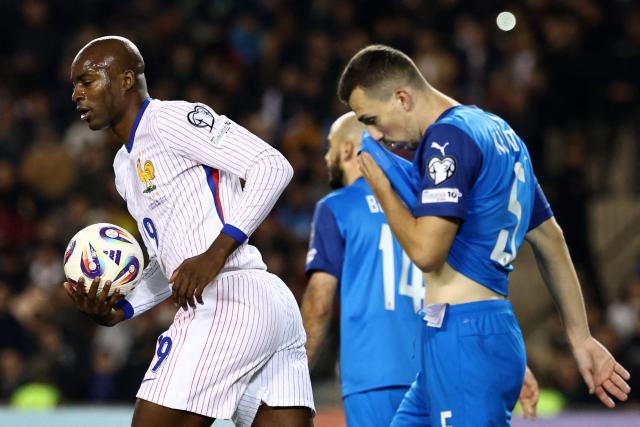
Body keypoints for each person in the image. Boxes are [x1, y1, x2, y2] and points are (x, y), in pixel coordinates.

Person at [337, 45, 631, 426]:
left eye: (372, 119)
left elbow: (427, 251)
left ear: (403, 98)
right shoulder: (499, 132)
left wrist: (382, 189)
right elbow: (550, 239)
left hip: (464, 335)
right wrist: (580, 336)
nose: (377, 136)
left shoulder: (447, 140)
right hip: (472, 334)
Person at [64, 36, 314, 427]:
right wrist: (122, 310)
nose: (77, 94)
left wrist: (214, 255)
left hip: (228, 300)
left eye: (87, 81)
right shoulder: (124, 167)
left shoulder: (171, 120)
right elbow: (175, 266)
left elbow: (271, 166)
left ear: (126, 79)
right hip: (260, 305)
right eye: (74, 86)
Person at [301, 112, 540, 426]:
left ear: (347, 149)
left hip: (372, 374)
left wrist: (294, 372)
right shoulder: (425, 203)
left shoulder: (335, 207)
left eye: (330, 145)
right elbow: (466, 276)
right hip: (438, 361)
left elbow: (319, 303)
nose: (326, 154)